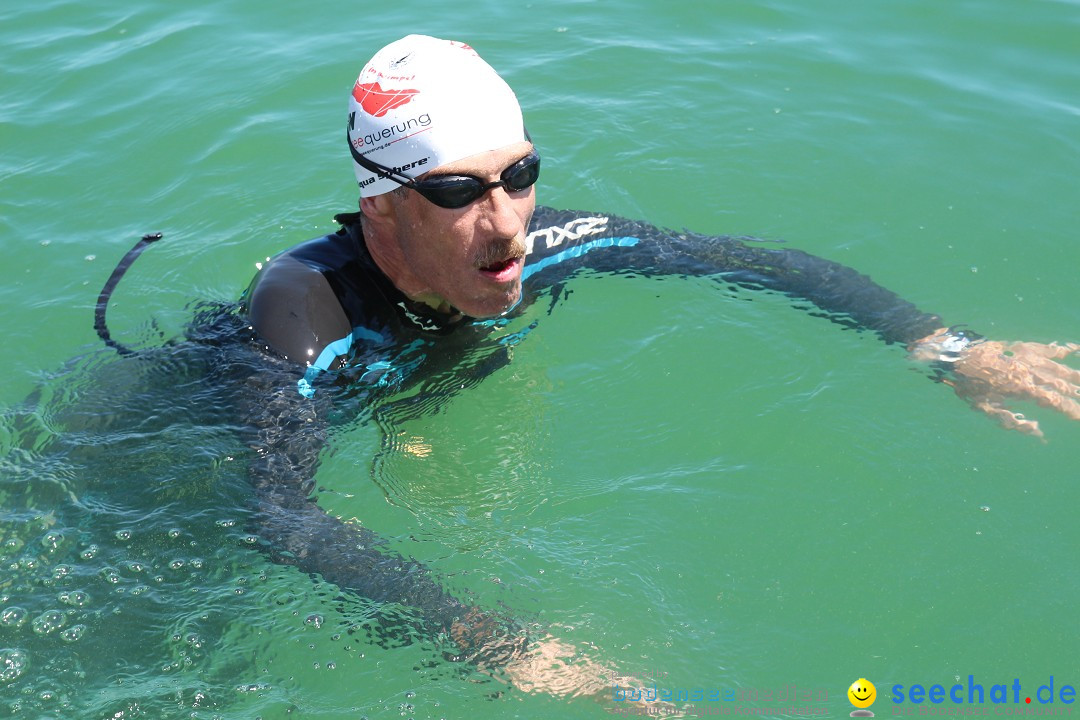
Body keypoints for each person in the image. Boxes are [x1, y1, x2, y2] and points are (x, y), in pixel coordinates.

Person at [236, 33, 1079, 704]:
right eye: (460, 192)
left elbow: (739, 261)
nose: (506, 225)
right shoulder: (304, 311)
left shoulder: (536, 247)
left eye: (520, 176)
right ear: (382, 203)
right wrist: (479, 634)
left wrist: (940, 344)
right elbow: (279, 514)